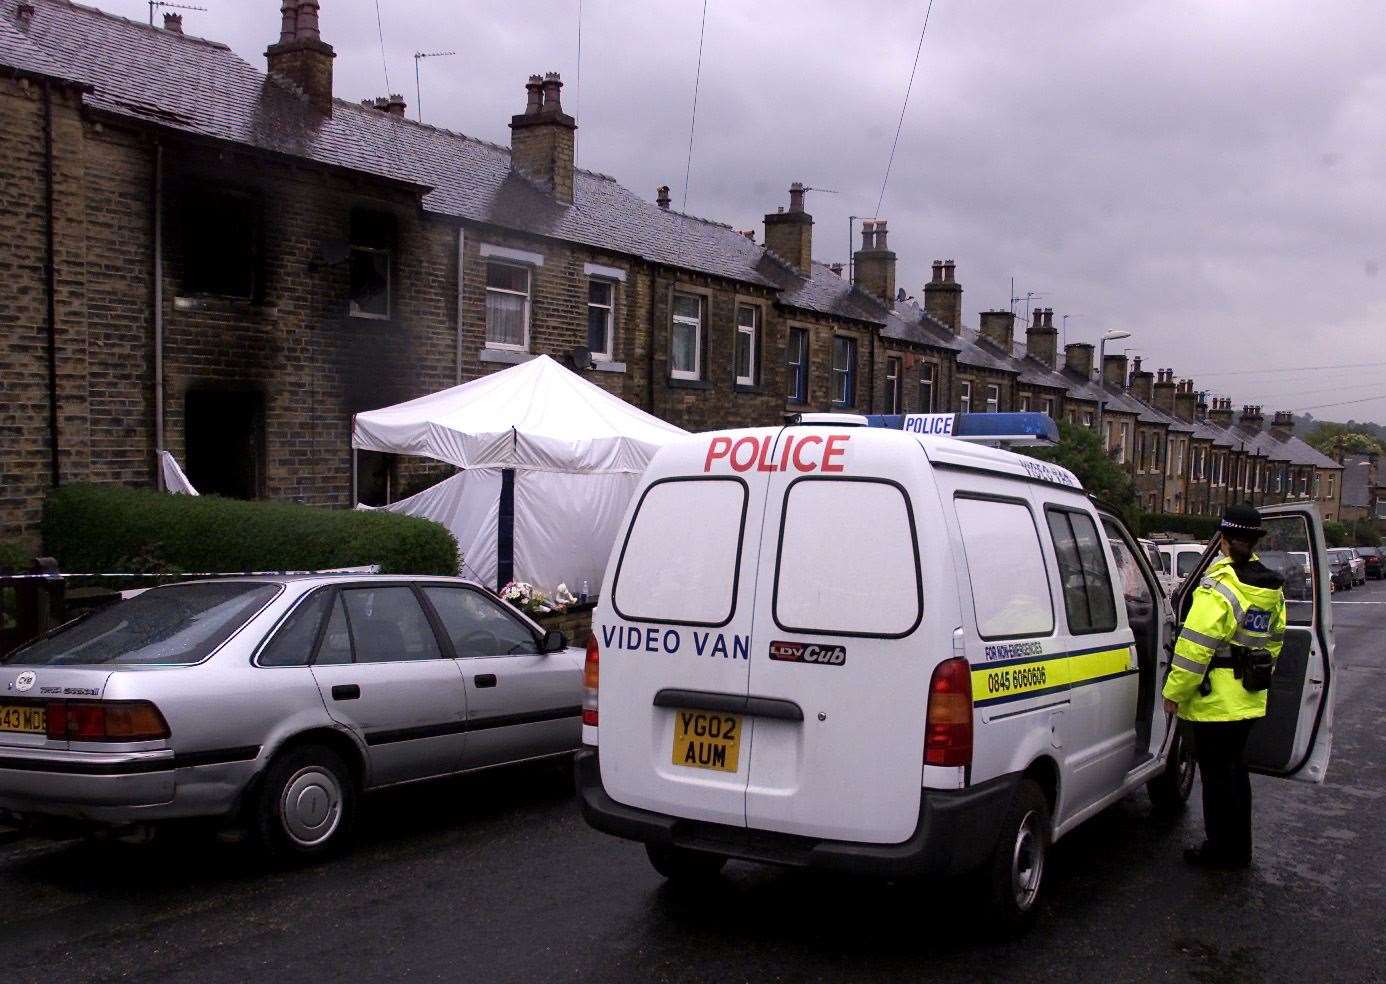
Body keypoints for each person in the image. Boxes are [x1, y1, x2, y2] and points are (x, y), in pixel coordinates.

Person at [1162, 503, 1286, 869]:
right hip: (1248, 697)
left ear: (1223, 541)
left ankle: (1218, 850)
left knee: (1216, 778)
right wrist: (1258, 673)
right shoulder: (1271, 588)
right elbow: (1275, 640)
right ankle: (1240, 849)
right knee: (1236, 772)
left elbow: (1193, 649)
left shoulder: (1219, 587)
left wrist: (1174, 693)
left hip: (1215, 701)